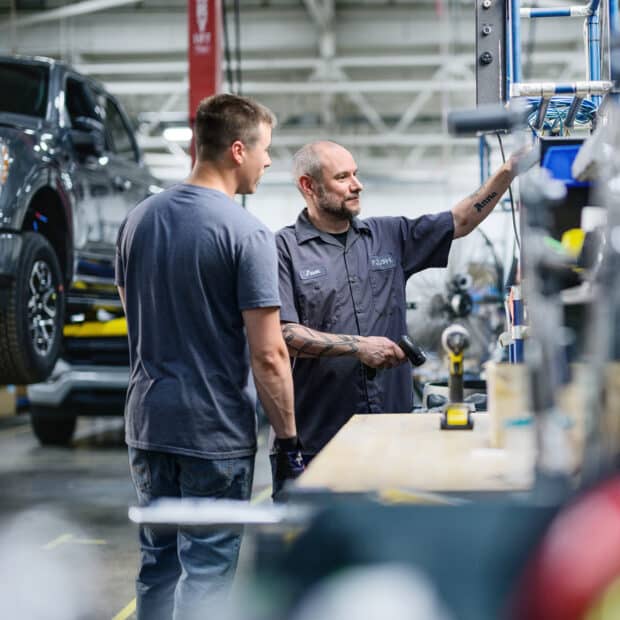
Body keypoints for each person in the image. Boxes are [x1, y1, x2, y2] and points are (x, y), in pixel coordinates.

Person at [115, 94, 304, 620]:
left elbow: (137, 318)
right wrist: (287, 444)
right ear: (238, 150)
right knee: (208, 574)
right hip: (212, 433)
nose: (269, 162)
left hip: (148, 424)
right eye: (265, 150)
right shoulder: (247, 234)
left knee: (157, 566)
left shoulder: (137, 221)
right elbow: (269, 356)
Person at [275, 140, 519, 463]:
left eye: (356, 174)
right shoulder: (284, 249)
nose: (356, 185)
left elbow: (460, 220)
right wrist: (358, 347)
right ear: (308, 186)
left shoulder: (389, 236)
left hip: (393, 433)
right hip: (319, 441)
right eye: (342, 177)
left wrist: (508, 171)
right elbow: (282, 334)